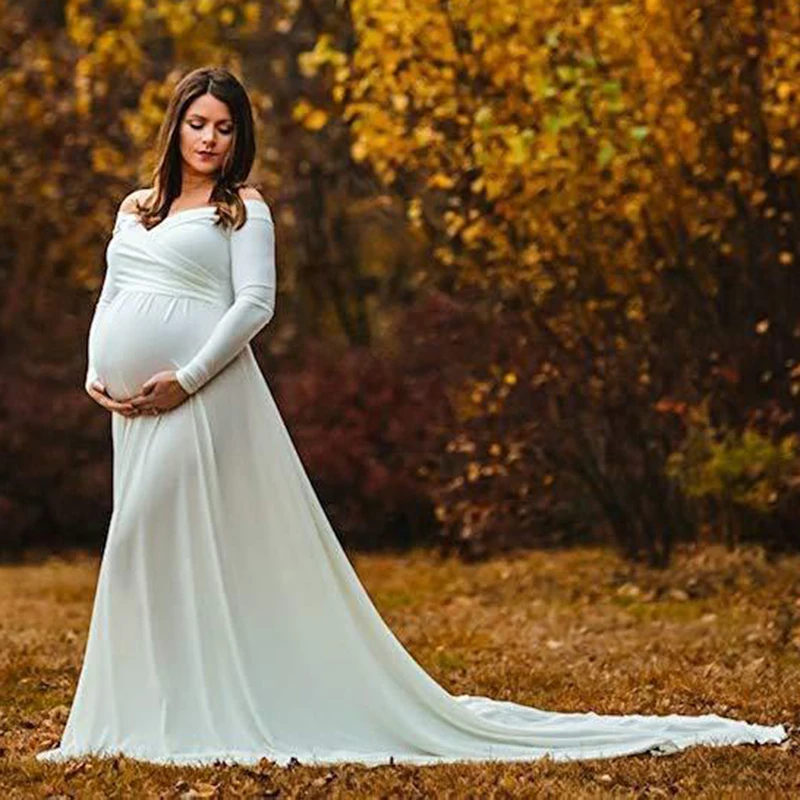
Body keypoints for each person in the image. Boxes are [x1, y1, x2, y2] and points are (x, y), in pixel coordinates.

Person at [35, 66, 787, 767]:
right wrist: (97, 371)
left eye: (225, 128)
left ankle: (209, 705)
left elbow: (255, 306)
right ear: (176, 127)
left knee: (142, 537)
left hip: (201, 398)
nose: (209, 139)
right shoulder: (134, 207)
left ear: (240, 139)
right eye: (198, 123)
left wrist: (188, 378)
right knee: (153, 551)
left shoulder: (243, 210)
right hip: (129, 406)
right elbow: (112, 292)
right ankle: (148, 710)